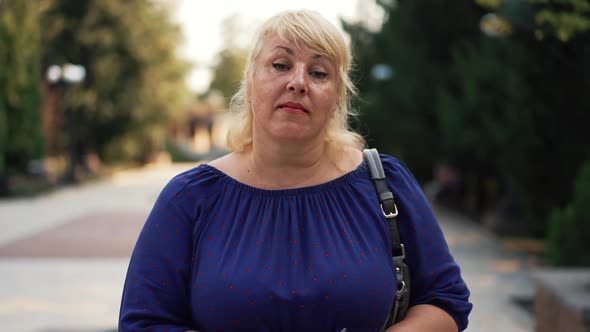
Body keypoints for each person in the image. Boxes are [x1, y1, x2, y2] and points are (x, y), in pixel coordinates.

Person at [119, 9, 472, 332]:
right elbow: (143, 322)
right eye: (280, 65)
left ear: (336, 98)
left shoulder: (385, 183)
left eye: (319, 73)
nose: (298, 82)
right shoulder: (190, 198)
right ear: (250, 82)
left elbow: (446, 300)